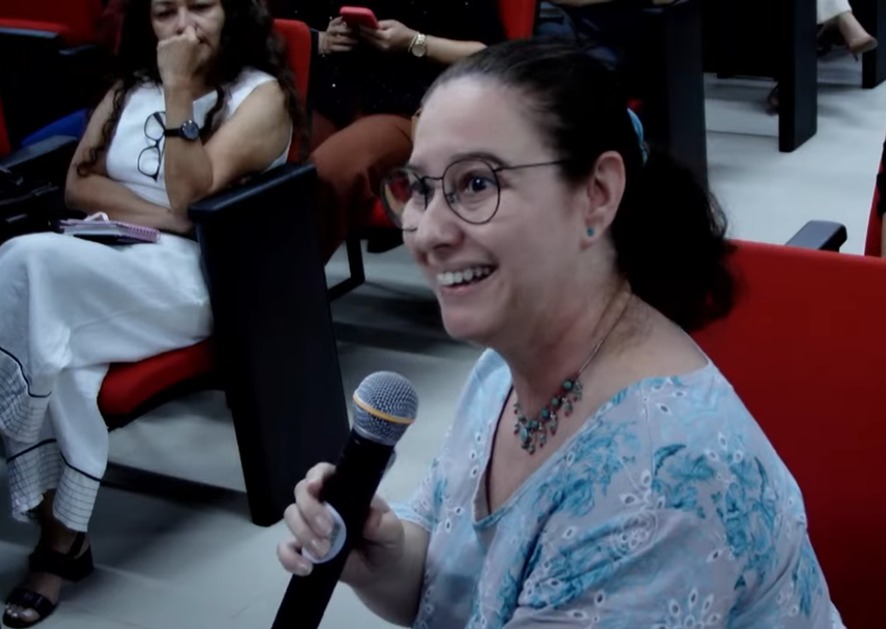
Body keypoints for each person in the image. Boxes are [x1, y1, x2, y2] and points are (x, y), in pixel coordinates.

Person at [277, 39, 845, 628]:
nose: (429, 231)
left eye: (477, 184)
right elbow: (453, 587)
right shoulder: (506, 363)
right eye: (420, 189)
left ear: (597, 194)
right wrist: (388, 562)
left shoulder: (660, 479)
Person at [0, 0, 299, 625]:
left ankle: (55, 533)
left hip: (195, 278)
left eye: (201, 6)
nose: (184, 26)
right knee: (57, 351)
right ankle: (62, 533)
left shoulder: (260, 96)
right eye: (165, 11)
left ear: (232, 13)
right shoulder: (127, 87)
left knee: (24, 261)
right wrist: (164, 217)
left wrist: (179, 89)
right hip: (102, 257)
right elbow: (79, 185)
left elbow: (193, 194)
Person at [277, 0, 505, 261]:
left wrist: (415, 42)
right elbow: (291, 27)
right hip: (332, 96)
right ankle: (258, 273)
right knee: (269, 168)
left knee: (328, 172)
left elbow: (491, 55)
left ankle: (282, 278)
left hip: (408, 105)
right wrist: (323, 39)